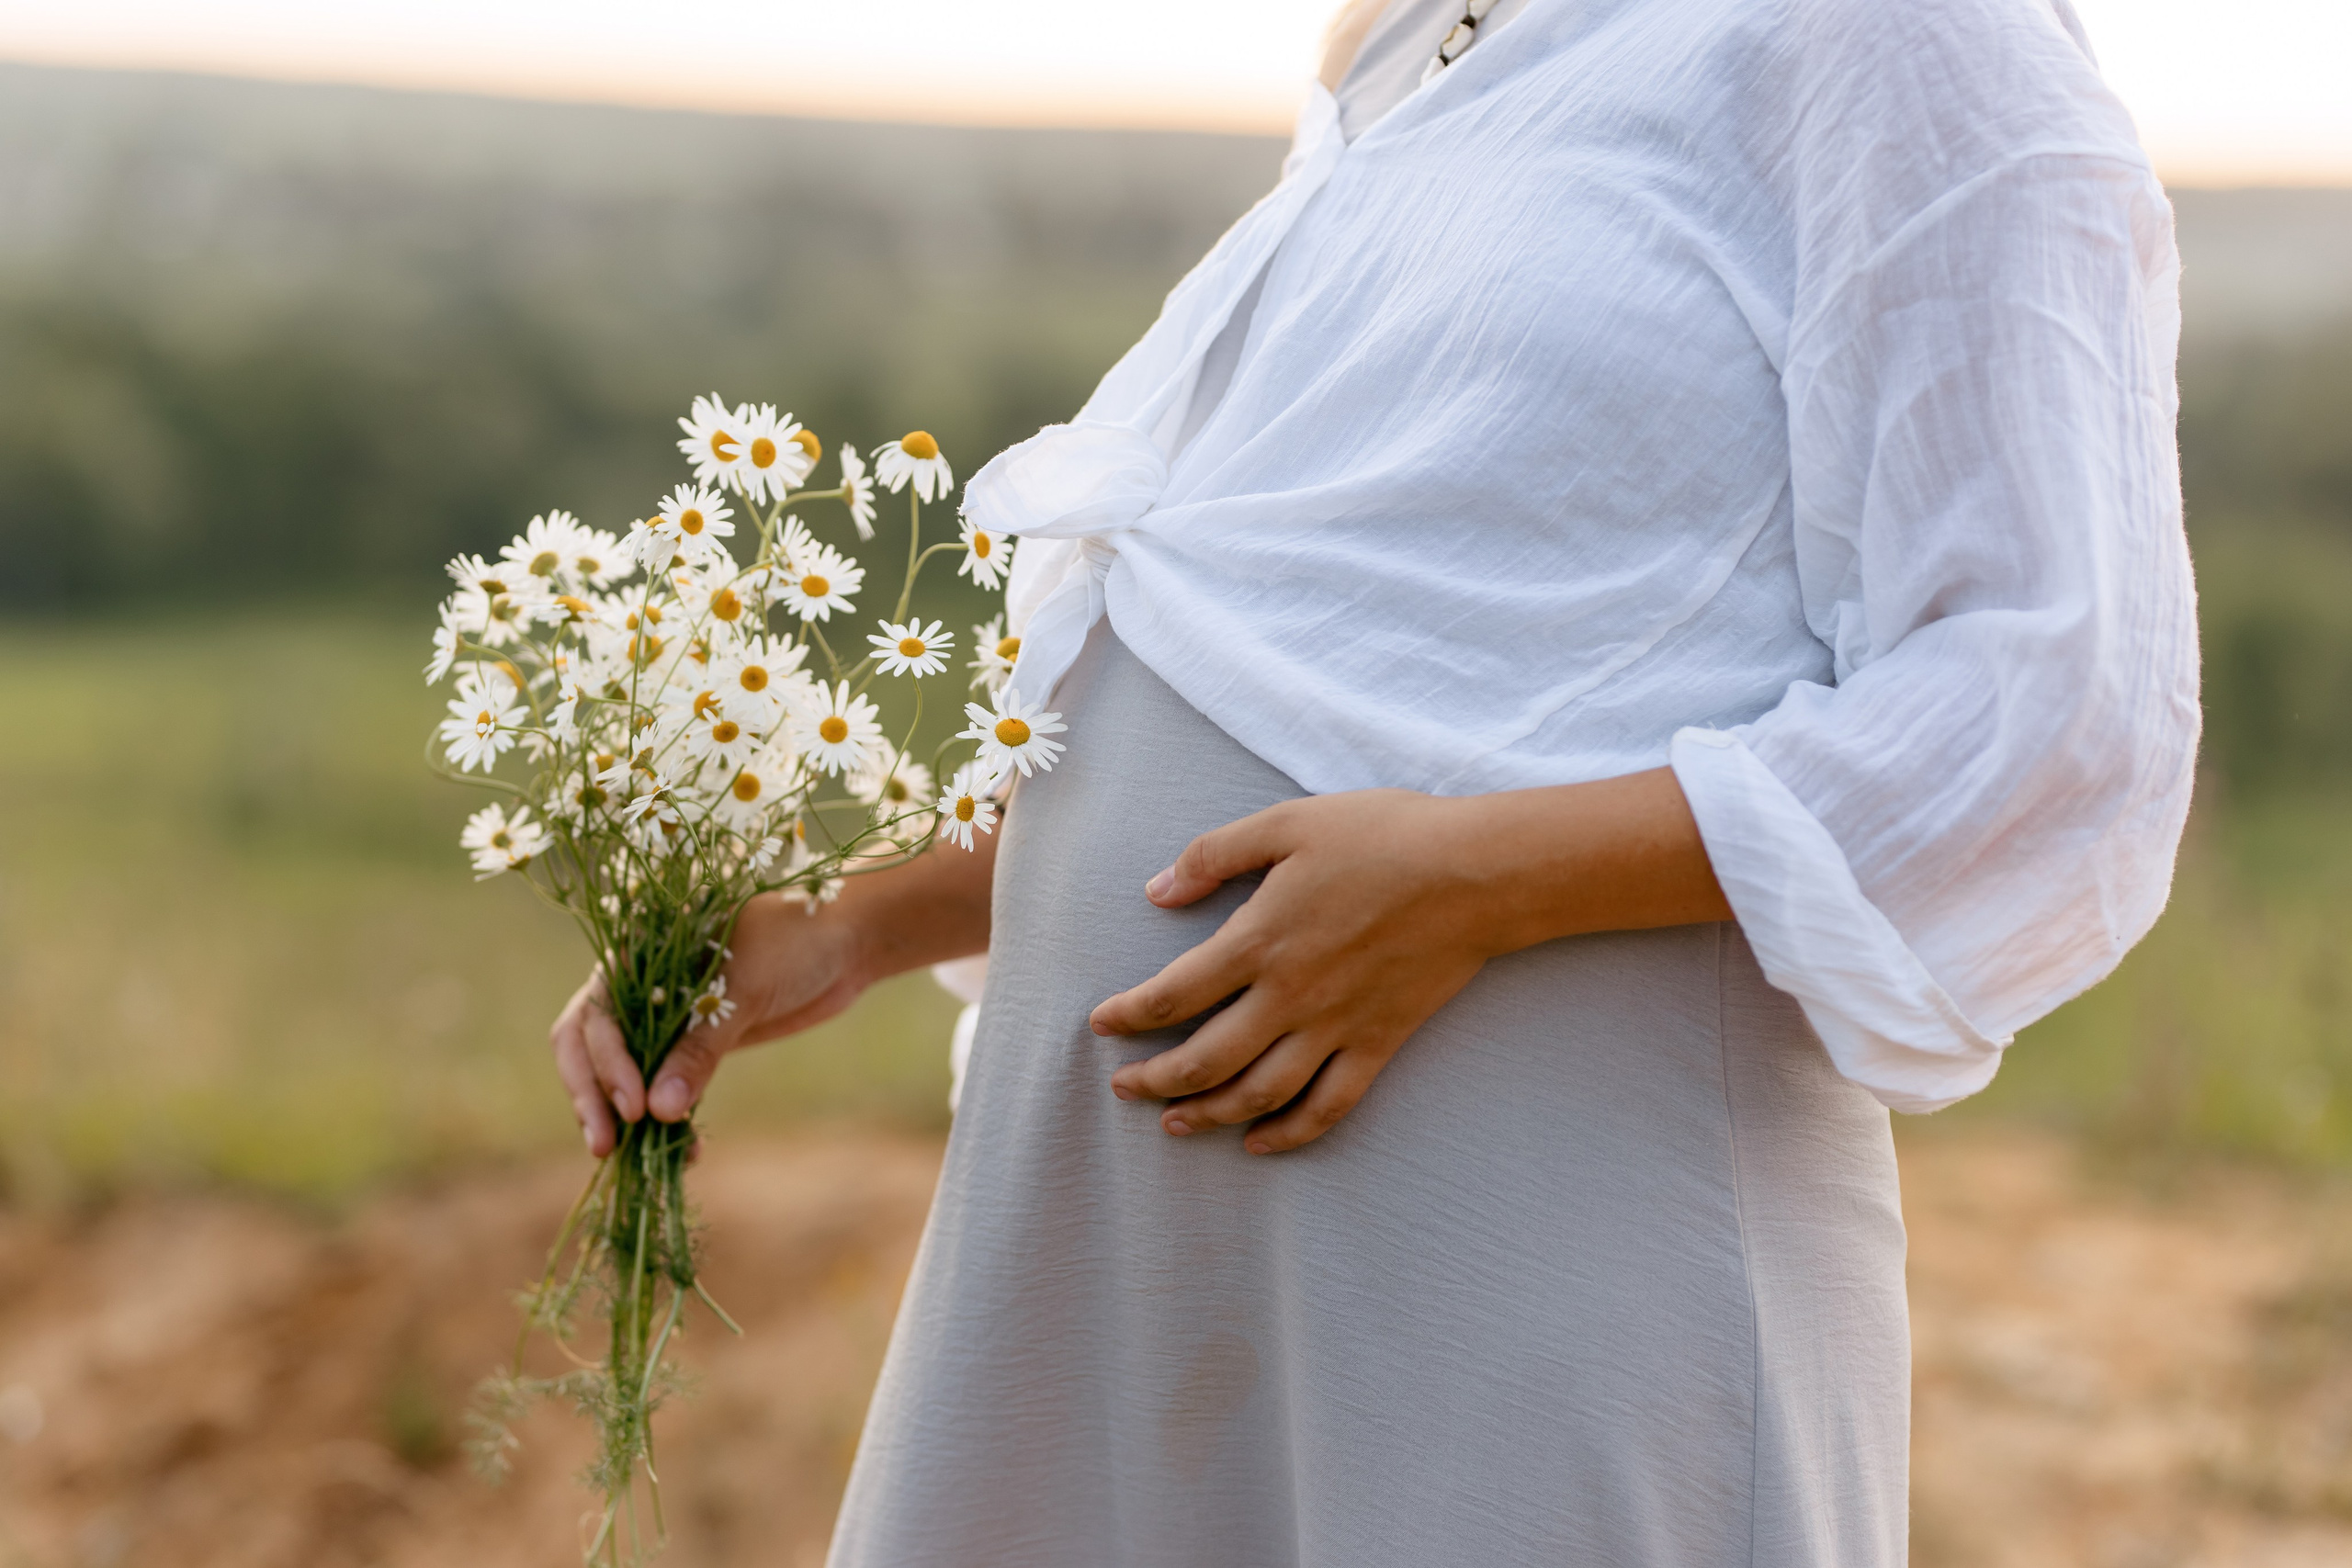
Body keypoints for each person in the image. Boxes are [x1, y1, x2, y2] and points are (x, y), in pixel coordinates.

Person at [550, 0, 2199, 1561]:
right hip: (1114, 1234)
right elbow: (1358, 645)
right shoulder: (1428, 32)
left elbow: (2055, 698)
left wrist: (1475, 885)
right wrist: (857, 925)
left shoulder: (1913, 42)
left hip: (1520, 1224)